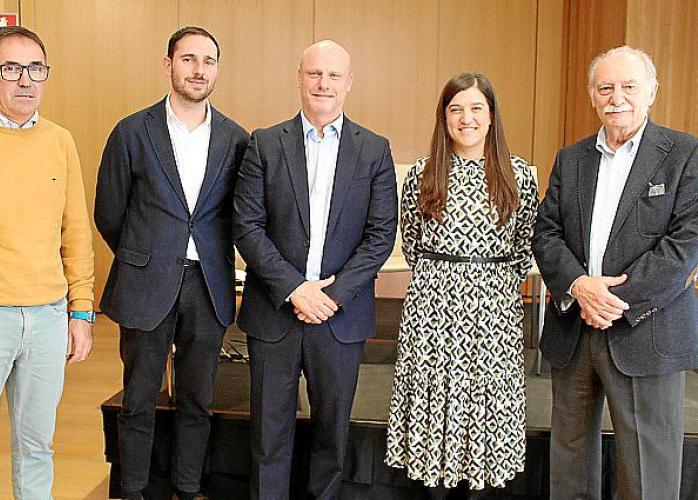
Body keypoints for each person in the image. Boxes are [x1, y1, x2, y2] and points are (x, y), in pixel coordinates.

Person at [233, 39, 398, 499]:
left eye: (333, 75)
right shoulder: (265, 143)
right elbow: (246, 226)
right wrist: (295, 289)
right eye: (314, 73)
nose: (323, 83)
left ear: (349, 83)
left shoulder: (374, 150)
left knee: (331, 437)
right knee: (268, 437)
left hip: (339, 319)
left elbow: (380, 235)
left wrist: (331, 295)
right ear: (299, 78)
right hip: (275, 313)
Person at [533, 46, 698, 499]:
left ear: (652, 92)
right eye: (605, 87)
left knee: (648, 475)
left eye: (629, 86)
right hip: (574, 330)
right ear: (592, 95)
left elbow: (685, 244)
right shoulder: (571, 158)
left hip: (648, 331)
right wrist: (579, 286)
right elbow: (546, 233)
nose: (616, 97)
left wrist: (610, 301)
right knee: (569, 466)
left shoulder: (685, 154)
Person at [94, 26, 248, 500]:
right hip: (146, 283)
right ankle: (134, 490)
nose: (198, 70)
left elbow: (239, 215)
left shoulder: (236, 139)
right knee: (139, 399)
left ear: (217, 70)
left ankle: (187, 488)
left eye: (208, 61)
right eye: (188, 59)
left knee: (197, 399)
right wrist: (146, 255)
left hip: (208, 285)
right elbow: (109, 212)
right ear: (168, 65)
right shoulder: (131, 131)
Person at [385, 73, 538, 499]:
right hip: (432, 308)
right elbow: (412, 244)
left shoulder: (518, 175)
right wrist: (447, 281)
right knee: (435, 401)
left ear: (491, 116)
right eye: (456, 109)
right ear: (444, 117)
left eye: (475, 108)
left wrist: (485, 285)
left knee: (485, 407)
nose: (465, 118)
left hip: (495, 310)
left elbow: (525, 245)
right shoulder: (421, 174)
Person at [0, 26, 95, 499]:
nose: (25, 80)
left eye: (35, 69)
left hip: (47, 317)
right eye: (11, 69)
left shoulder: (60, 141)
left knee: (38, 447)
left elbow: (75, 233)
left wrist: (81, 312)